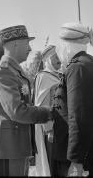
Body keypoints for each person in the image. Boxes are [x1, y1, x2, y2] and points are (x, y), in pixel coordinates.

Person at [0, 25, 58, 176]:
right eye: (26, 43)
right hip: (6, 145)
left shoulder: (14, 70)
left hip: (16, 143)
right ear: (15, 44)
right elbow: (17, 111)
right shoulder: (3, 72)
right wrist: (49, 112)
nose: (30, 49)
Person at [54, 22, 93, 176]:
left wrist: (76, 160)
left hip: (88, 158)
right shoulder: (91, 63)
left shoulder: (77, 68)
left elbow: (80, 117)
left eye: (59, 46)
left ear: (66, 46)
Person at [33, 45, 61, 176]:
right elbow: (42, 105)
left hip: (61, 125)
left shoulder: (58, 75)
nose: (59, 60)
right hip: (50, 129)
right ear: (48, 60)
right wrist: (49, 129)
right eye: (55, 57)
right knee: (51, 162)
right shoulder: (43, 76)